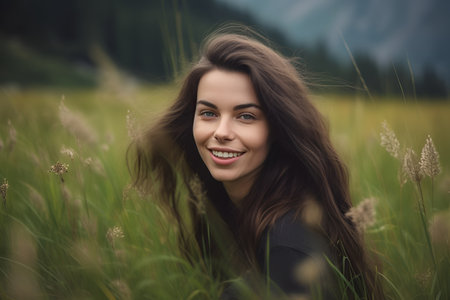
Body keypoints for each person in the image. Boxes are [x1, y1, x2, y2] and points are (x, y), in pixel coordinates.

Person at [129, 28, 384, 299]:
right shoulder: (231, 208)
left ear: (277, 128)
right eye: (208, 113)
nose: (221, 132)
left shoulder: (288, 246)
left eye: (246, 116)